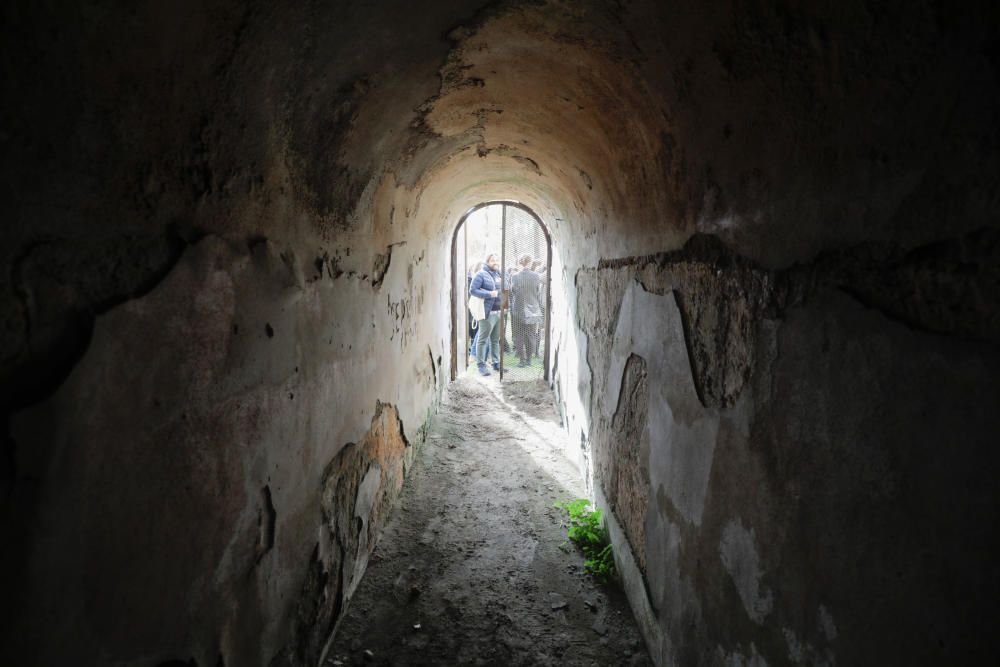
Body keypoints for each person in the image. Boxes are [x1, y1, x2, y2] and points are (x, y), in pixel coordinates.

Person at [469, 253, 503, 375]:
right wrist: (489, 294)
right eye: (493, 260)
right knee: (482, 340)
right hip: (487, 313)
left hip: (500, 312)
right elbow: (472, 290)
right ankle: (481, 366)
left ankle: (496, 363)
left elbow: (505, 288)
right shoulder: (481, 274)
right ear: (487, 262)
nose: (496, 262)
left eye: (497, 260)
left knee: (495, 340)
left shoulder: (499, 274)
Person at [511, 254, 544, 367]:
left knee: (519, 334)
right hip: (533, 309)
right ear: (530, 263)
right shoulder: (536, 276)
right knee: (530, 335)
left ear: (521, 263)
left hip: (519, 308)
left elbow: (513, 291)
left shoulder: (515, 276)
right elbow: (537, 291)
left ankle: (522, 360)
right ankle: (529, 359)